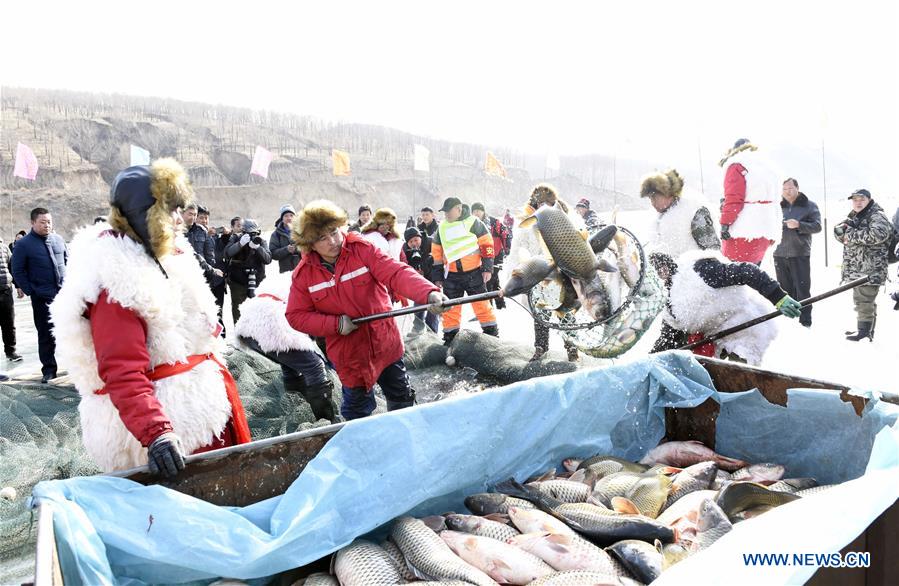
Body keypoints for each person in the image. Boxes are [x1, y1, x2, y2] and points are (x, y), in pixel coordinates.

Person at [49, 159, 250, 476]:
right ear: (146, 214)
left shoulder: (163, 259)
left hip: (198, 411)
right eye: (169, 211)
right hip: (173, 427)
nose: (178, 220)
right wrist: (156, 433)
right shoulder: (116, 282)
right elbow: (123, 371)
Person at [285, 200, 448, 420]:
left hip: (384, 343)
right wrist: (336, 324)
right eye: (322, 238)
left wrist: (428, 293)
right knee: (356, 414)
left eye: (334, 232)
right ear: (309, 244)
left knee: (401, 398)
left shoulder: (362, 250)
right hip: (349, 356)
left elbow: (395, 272)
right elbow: (296, 316)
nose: (333, 241)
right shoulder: (304, 274)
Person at [651, 250, 801, 365]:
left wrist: (778, 297)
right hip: (715, 340)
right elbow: (668, 338)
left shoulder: (699, 270)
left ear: (665, 267)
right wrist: (649, 360)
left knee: (740, 371)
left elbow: (748, 272)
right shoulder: (670, 304)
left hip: (742, 326)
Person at [235, 270, 337, 423]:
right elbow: (321, 328)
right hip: (271, 320)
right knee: (314, 366)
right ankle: (326, 421)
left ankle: (298, 405)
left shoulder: (296, 274)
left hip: (248, 325)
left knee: (291, 363)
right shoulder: (320, 280)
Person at [639, 169, 721, 353]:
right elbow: (660, 249)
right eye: (649, 198)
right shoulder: (659, 217)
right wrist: (660, 265)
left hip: (694, 283)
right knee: (673, 330)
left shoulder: (693, 211)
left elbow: (711, 250)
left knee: (680, 333)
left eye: (655, 197)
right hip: (673, 285)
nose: (652, 202)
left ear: (668, 194)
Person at [505, 184, 581, 362]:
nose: (544, 206)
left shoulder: (563, 217)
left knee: (566, 313)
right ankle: (540, 348)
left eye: (548, 203)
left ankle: (572, 348)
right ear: (535, 204)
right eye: (540, 203)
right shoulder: (527, 222)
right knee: (540, 315)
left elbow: (576, 242)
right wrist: (515, 277)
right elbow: (517, 249)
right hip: (538, 276)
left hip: (561, 275)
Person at [430, 197, 499, 345]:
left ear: (459, 209)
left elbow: (487, 244)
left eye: (449, 211)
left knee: (482, 305)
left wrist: (487, 268)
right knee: (450, 309)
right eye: (445, 212)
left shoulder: (474, 222)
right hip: (451, 275)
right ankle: (450, 339)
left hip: (474, 273)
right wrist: (438, 277)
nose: (446, 214)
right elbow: (436, 253)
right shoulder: (441, 227)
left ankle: (491, 336)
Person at [10, 207, 66, 383]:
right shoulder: (24, 244)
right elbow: (17, 270)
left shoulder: (58, 240)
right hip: (42, 297)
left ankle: (75, 367)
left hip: (64, 296)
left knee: (71, 332)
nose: (47, 225)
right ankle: (49, 369)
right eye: (42, 222)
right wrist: (31, 290)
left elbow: (67, 261)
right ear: (33, 223)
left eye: (49, 221)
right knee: (46, 334)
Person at [834, 189, 892, 341]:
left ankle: (864, 333)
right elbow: (839, 231)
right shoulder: (855, 215)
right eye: (855, 199)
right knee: (863, 300)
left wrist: (850, 234)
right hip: (858, 268)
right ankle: (866, 330)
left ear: (869, 200)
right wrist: (843, 234)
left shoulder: (877, 216)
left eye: (861, 199)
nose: (858, 202)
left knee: (864, 301)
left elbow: (878, 234)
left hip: (870, 268)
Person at [718, 138, 783, 264]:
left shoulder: (737, 165)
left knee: (735, 273)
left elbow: (734, 199)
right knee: (754, 273)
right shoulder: (768, 168)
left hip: (743, 228)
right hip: (766, 227)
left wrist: (725, 224)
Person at [773, 178, 821, 328]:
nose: (787, 191)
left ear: (797, 189)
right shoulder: (776, 206)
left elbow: (817, 226)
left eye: (790, 188)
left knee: (802, 290)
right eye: (785, 189)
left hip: (800, 253)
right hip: (779, 253)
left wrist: (799, 225)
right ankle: (788, 321)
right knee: (784, 290)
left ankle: (805, 321)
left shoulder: (809, 205)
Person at [224, 218, 272, 323]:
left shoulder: (261, 241)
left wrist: (258, 248)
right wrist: (240, 244)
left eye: (254, 233)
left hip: (257, 281)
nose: (252, 236)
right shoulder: (236, 239)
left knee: (257, 312)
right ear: (243, 232)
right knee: (238, 312)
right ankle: (239, 335)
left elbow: (268, 259)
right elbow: (227, 254)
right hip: (238, 282)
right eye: (249, 233)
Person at [471, 202, 510, 310]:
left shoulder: (493, 222)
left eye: (479, 211)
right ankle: (500, 304)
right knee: (493, 280)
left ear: (483, 211)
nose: (476, 213)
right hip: (480, 256)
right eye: (474, 211)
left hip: (496, 255)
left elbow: (505, 234)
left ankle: (489, 306)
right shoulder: (471, 224)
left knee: (488, 280)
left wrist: (507, 249)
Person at [403, 226, 439, 333]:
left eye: (416, 240)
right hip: (418, 281)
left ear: (420, 238)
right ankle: (417, 329)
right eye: (411, 241)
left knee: (433, 307)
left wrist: (425, 268)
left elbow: (437, 262)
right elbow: (404, 266)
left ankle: (432, 331)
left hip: (433, 278)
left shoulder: (430, 243)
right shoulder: (405, 249)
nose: (414, 243)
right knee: (418, 305)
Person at [183, 203, 222, 282]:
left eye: (195, 215)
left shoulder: (202, 231)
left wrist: (211, 272)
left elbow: (209, 254)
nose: (193, 218)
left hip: (202, 272)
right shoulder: (177, 230)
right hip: (183, 272)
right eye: (190, 214)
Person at [0, 238, 20, 362]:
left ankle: (11, 351)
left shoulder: (4, 247)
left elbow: (11, 266)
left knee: (9, 324)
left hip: (5, 291)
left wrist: (17, 285)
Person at [270, 204, 301, 273]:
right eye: (286, 216)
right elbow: (273, 254)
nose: (289, 218)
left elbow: (309, 248)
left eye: (291, 215)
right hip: (286, 273)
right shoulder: (276, 234)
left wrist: (296, 249)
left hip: (304, 270)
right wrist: (286, 250)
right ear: (282, 218)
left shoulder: (302, 231)